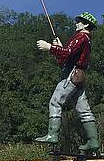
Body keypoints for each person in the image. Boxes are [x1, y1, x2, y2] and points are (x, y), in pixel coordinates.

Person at [35, 11, 99, 152]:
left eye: (79, 21)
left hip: (72, 75)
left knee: (55, 102)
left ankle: (52, 134)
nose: (76, 23)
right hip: (80, 76)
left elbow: (68, 54)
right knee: (84, 110)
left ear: (86, 24)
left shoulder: (80, 37)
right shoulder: (86, 39)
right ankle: (93, 142)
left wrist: (50, 48)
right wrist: (59, 48)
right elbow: (65, 57)